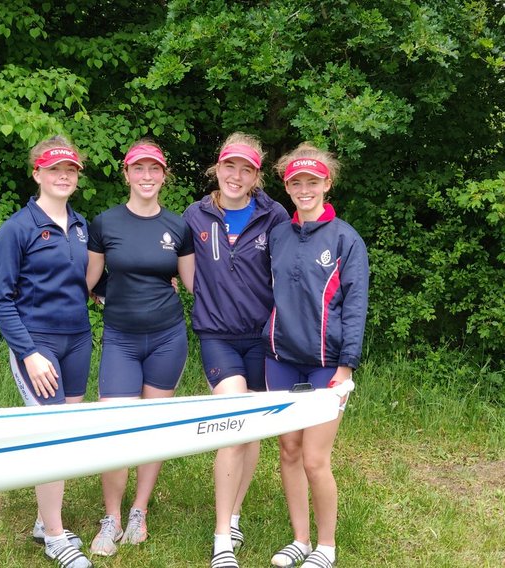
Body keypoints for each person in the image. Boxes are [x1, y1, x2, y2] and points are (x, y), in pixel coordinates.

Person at [183, 133, 290, 568]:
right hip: (217, 336)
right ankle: (221, 536)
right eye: (230, 166)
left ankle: (236, 512)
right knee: (232, 421)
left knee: (251, 430)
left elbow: (292, 268)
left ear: (256, 175)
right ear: (217, 167)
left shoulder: (274, 215)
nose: (236, 176)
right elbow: (173, 264)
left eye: (246, 169)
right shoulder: (196, 215)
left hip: (263, 338)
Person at [85, 140, 195, 557]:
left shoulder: (177, 226)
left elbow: (193, 284)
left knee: (154, 427)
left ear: (164, 175)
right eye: (139, 169)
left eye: (155, 169)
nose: (147, 176)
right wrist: (99, 296)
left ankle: (138, 511)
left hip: (167, 338)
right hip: (121, 339)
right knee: (115, 427)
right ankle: (110, 517)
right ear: (127, 174)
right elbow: (89, 277)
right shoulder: (106, 222)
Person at [0, 135, 94, 568]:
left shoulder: (81, 224)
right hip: (39, 344)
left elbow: (84, 281)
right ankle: (54, 535)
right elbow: (1, 299)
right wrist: (29, 353)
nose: (63, 176)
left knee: (66, 432)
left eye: (70, 170)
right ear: (37, 173)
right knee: (52, 434)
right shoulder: (18, 228)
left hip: (78, 339)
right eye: (54, 169)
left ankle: (43, 520)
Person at [264, 143, 369, 568]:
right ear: (287, 186)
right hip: (280, 356)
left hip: (327, 362)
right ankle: (300, 539)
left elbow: (357, 304)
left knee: (314, 457)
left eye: (312, 181)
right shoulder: (278, 234)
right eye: (296, 182)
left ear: (327, 183)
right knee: (288, 450)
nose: (304, 189)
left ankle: (326, 546)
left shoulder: (346, 238)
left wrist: (346, 366)